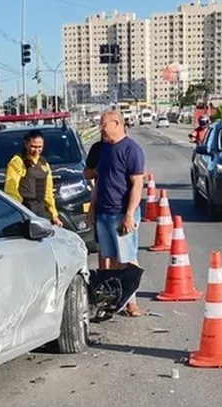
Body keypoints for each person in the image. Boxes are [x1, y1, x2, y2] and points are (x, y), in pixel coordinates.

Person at [88, 108, 146, 317]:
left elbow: (137, 184)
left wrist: (130, 214)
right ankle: (113, 300)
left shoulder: (131, 150)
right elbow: (98, 182)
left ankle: (132, 302)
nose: (101, 129)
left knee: (128, 258)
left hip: (122, 213)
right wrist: (92, 209)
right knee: (110, 259)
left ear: (117, 124)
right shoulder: (102, 149)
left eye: (103, 124)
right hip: (103, 212)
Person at [4, 130, 62, 226]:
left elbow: (48, 192)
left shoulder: (44, 164)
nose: (36, 150)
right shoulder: (18, 162)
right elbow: (11, 188)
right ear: (26, 144)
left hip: (40, 209)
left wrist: (54, 214)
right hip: (25, 209)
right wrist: (17, 210)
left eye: (40, 147)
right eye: (33, 147)